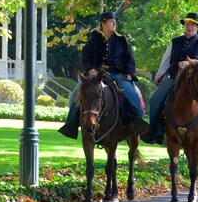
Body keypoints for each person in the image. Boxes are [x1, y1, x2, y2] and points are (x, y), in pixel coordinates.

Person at [141, 12, 198, 145]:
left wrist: (189, 63)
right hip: (176, 79)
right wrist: (160, 75)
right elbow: (166, 60)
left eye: (192, 24)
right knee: (155, 98)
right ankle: (155, 131)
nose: (189, 26)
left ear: (197, 27)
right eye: (187, 24)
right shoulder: (175, 42)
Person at [58, 11, 148, 139]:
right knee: (77, 92)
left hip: (117, 74)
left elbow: (130, 59)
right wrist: (90, 70)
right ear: (103, 23)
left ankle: (139, 123)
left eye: (115, 22)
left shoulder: (121, 40)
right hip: (96, 75)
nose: (114, 24)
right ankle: (71, 124)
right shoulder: (93, 40)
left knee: (132, 94)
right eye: (111, 21)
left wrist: (129, 74)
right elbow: (86, 58)